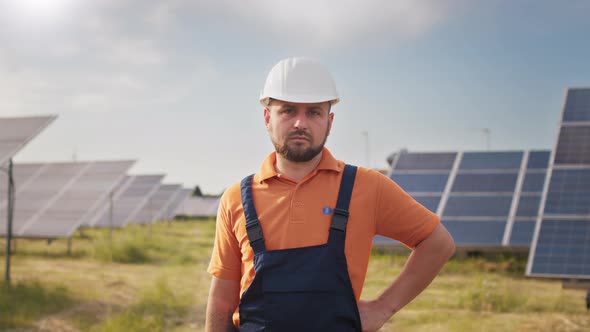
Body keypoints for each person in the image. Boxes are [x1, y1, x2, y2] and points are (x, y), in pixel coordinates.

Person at [205, 57, 455, 332]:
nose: (300, 123)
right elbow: (222, 302)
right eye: (288, 110)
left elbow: (438, 243)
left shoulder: (367, 186)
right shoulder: (236, 198)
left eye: (314, 112)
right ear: (268, 117)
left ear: (329, 121)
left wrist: (382, 308)